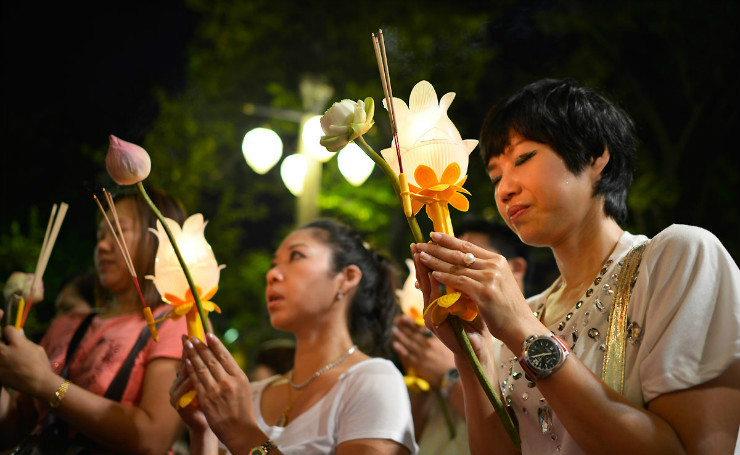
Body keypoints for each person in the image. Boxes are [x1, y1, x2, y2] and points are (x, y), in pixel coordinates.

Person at [411, 78, 740, 454]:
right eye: (496, 176)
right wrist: (475, 353)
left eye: (523, 158)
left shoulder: (678, 258)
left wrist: (522, 330)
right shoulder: (528, 310)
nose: (505, 189)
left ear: (595, 156)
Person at [170, 218, 417, 455]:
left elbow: (244, 438)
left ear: (347, 278)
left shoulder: (372, 380)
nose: (273, 275)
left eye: (296, 256)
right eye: (273, 265)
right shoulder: (251, 395)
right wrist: (203, 431)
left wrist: (242, 431)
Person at [0, 188, 190, 454]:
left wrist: (45, 383)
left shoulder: (174, 320)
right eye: (100, 234)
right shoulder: (67, 324)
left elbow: (153, 438)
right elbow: (11, 429)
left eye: (118, 232)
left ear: (158, 240)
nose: (101, 245)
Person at [393, 218, 530, 455]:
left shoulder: (531, 332)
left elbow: (529, 438)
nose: (450, 268)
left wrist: (449, 375)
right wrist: (418, 375)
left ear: (515, 268)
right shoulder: (446, 328)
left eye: (467, 258)